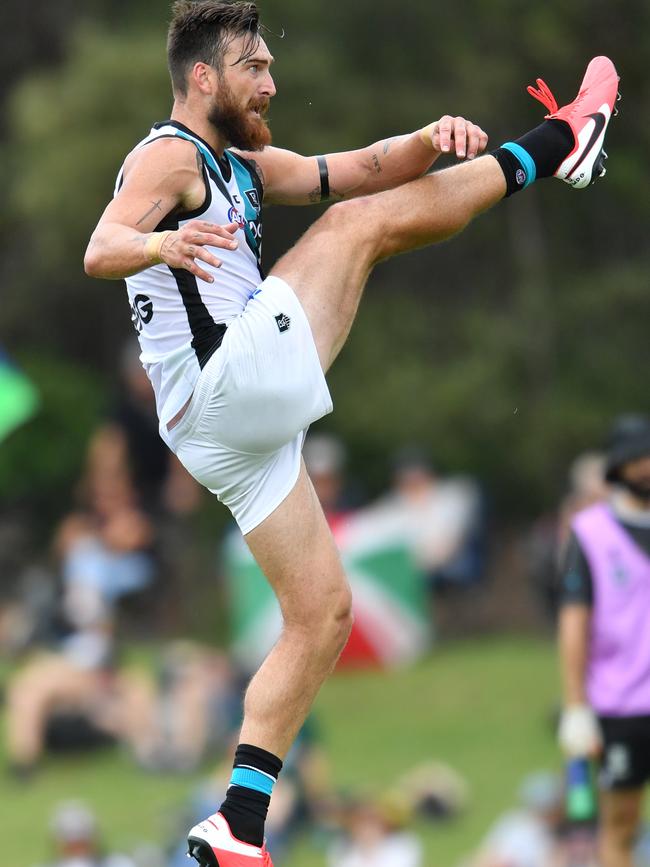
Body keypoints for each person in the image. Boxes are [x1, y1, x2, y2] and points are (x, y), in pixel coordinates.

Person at [84, 2, 619, 863]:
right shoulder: (171, 154)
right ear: (205, 79)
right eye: (253, 66)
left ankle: (239, 824)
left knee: (322, 614)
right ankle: (561, 143)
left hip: (219, 429)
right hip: (226, 385)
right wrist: (165, 242)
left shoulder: (244, 161)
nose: (270, 79)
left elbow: (360, 168)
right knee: (358, 231)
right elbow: (100, 246)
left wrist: (429, 138)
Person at [557, 415, 650, 867]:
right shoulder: (591, 532)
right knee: (620, 823)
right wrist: (576, 706)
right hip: (619, 704)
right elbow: (574, 622)